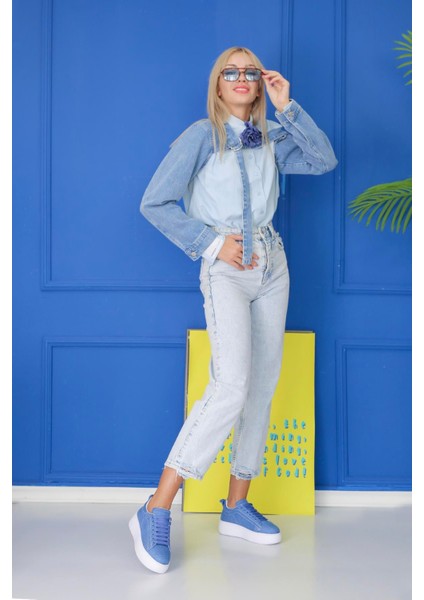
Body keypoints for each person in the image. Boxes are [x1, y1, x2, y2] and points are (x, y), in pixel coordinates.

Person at [129, 46, 338, 574]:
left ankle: (236, 504)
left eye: (250, 72)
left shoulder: (271, 137)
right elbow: (154, 202)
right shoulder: (201, 136)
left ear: (260, 82)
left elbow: (323, 160)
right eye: (232, 71)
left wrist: (287, 107)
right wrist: (212, 242)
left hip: (272, 265)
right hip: (225, 269)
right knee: (231, 386)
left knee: (262, 387)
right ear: (218, 83)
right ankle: (156, 506)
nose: (242, 78)